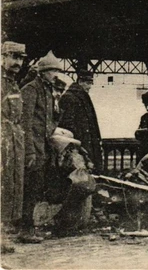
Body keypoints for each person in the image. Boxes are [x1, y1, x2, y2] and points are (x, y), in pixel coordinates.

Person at [19, 50, 62, 243]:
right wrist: (28, 151)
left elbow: (49, 121)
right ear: (43, 71)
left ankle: (31, 228)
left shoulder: (46, 91)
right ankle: (25, 230)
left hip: (42, 149)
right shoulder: (30, 89)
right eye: (52, 71)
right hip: (32, 149)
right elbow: (24, 124)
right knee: (29, 190)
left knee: (36, 189)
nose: (56, 74)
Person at [1, 41, 27, 253]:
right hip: (2, 141)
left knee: (12, 187)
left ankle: (4, 238)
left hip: (13, 142)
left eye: (20, 58)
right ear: (3, 57)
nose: (18, 62)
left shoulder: (13, 83)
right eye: (14, 57)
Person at [58, 69, 103, 173]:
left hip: (84, 143)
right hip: (81, 145)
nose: (89, 86)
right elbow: (67, 124)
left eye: (91, 83)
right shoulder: (71, 97)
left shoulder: (77, 97)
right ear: (80, 82)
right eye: (87, 83)